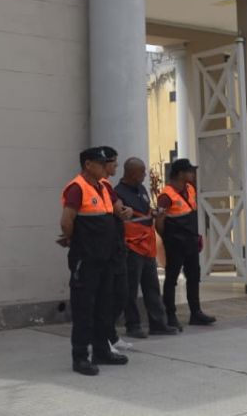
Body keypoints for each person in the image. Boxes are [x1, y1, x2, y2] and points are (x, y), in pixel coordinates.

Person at [58, 146, 130, 375]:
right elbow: (66, 220)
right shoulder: (77, 188)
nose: (105, 167)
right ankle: (80, 357)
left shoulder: (103, 188)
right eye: (100, 164)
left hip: (106, 258)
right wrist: (72, 240)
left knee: (103, 308)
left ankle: (101, 351)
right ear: (88, 165)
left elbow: (114, 214)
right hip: (86, 259)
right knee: (84, 309)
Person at [115, 157, 179, 338]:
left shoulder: (141, 190)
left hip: (147, 246)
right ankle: (132, 325)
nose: (144, 175)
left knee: (152, 287)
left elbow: (144, 211)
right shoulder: (118, 193)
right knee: (130, 289)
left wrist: (154, 213)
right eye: (142, 171)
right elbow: (121, 218)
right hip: (131, 247)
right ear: (132, 173)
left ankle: (158, 323)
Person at [156, 158, 216, 328]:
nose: (193, 174)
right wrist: (167, 238)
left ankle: (196, 313)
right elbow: (159, 222)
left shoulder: (189, 189)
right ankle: (170, 314)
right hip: (175, 243)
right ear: (180, 174)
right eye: (190, 171)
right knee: (172, 279)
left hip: (190, 241)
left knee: (193, 277)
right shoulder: (166, 195)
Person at [101, 148, 133, 353]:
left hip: (116, 247)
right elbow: (118, 209)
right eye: (113, 162)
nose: (116, 166)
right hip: (104, 249)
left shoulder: (106, 186)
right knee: (107, 296)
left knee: (121, 293)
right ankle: (103, 338)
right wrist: (122, 210)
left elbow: (120, 208)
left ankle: (111, 335)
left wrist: (125, 210)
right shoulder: (92, 187)